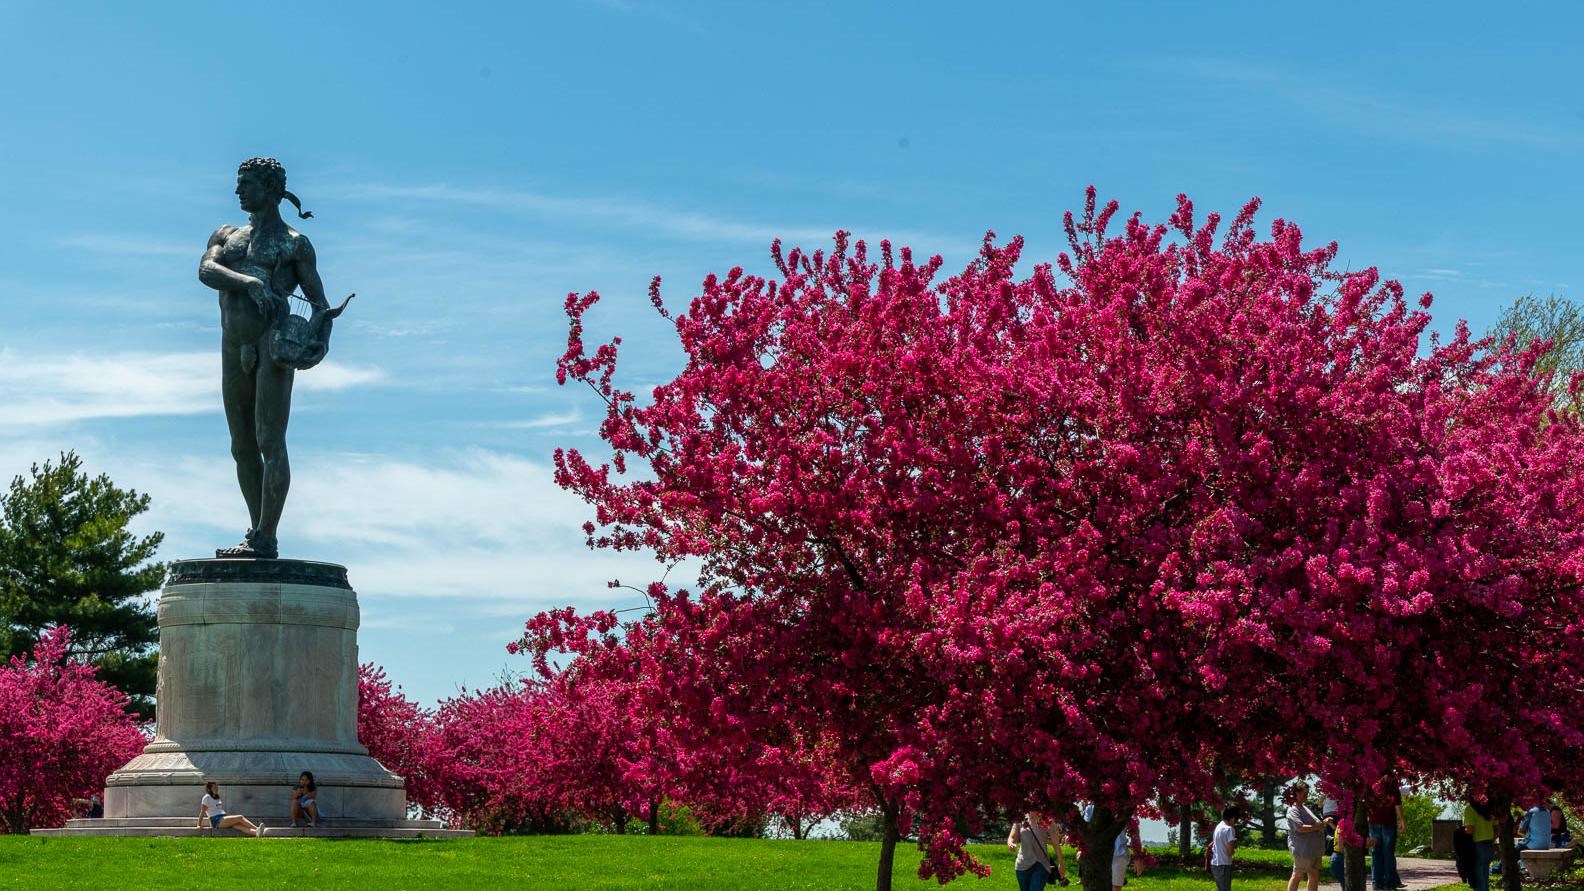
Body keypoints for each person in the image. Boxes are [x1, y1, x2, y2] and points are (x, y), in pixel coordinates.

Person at [199, 157, 342, 560]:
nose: (239, 191)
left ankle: (266, 536)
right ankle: (255, 529)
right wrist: (248, 281)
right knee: (240, 445)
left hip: (271, 346)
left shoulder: (294, 243)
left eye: (247, 184)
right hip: (233, 346)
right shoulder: (227, 234)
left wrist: (317, 342)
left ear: (270, 187)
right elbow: (206, 270)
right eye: (238, 183)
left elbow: (320, 304)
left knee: (269, 440)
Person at [1081, 803, 1144, 891]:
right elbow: (1084, 832)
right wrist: (1081, 849)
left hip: (1119, 854)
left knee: (1115, 888)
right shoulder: (1091, 809)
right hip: (1098, 854)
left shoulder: (1124, 807)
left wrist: (1138, 857)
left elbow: (1134, 832)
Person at [1008, 811, 1069, 891]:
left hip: (1041, 863)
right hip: (1022, 864)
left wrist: (1061, 863)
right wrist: (1010, 843)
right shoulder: (1020, 817)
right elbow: (1012, 837)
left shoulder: (1048, 820)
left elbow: (1056, 844)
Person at [1287, 782, 1326, 891]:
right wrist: (1319, 826)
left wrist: (1321, 825)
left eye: (1307, 794)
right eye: (1304, 794)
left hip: (1313, 849)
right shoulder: (1293, 809)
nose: (1307, 796)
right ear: (1296, 793)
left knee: (1314, 876)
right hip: (1303, 850)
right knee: (1298, 875)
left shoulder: (1304, 807)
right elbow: (1300, 828)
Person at [1367, 779, 1405, 890]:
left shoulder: (1369, 777)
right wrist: (1402, 819)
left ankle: (1377, 883)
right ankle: (1390, 883)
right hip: (1388, 821)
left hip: (1374, 820)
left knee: (1376, 853)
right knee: (1388, 853)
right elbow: (1397, 802)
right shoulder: (1391, 781)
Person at [197, 781, 264, 837]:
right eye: (214, 788)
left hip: (222, 818)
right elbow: (202, 812)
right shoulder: (207, 798)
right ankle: (257, 828)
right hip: (216, 821)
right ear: (209, 789)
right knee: (240, 817)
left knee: (239, 826)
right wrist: (199, 825)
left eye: (217, 787)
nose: (217, 789)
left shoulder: (216, 797)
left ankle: (256, 833)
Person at [1463, 800, 1497, 891]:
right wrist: (1492, 840)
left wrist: (1460, 833)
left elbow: (1470, 830)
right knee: (1485, 874)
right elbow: (1498, 829)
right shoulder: (1489, 809)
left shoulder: (1470, 809)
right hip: (1489, 844)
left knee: (1477, 876)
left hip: (1477, 844)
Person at [1211, 806, 1240, 891]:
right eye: (1236, 819)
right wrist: (1234, 844)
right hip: (1224, 864)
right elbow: (1230, 852)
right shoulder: (1229, 829)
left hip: (1215, 863)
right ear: (1233, 817)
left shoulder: (1219, 826)